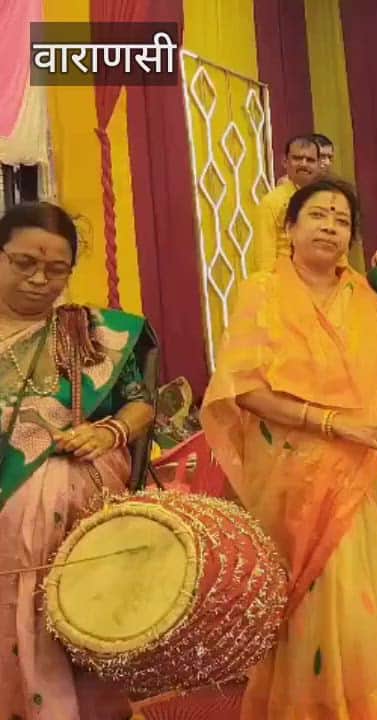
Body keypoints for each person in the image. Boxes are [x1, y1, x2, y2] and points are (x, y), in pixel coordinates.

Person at [202, 179, 377, 718]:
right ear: (289, 228)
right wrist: (334, 423)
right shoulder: (261, 292)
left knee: (353, 596)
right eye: (318, 215)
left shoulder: (365, 294)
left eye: (341, 220)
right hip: (290, 472)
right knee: (302, 598)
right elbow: (245, 388)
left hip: (353, 475)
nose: (330, 227)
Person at [0, 202, 155, 720]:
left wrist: (109, 431)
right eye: (24, 263)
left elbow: (140, 402)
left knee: (44, 501)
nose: (41, 279)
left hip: (72, 499)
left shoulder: (87, 331)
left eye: (56, 269)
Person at [254, 134, 320, 274]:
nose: (303, 164)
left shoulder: (327, 198)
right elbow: (265, 259)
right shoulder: (272, 202)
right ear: (285, 162)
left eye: (310, 160)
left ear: (318, 165)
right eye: (297, 158)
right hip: (285, 279)